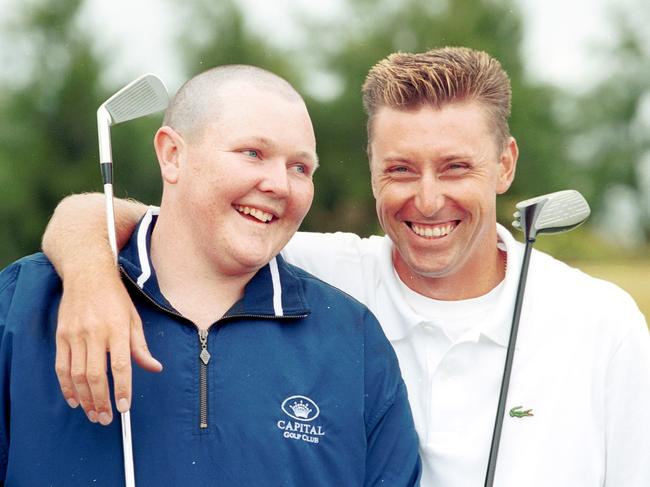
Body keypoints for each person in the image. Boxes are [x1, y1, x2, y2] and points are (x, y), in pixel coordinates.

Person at [42, 47, 650, 486]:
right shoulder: (318, 273)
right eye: (401, 169)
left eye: (457, 167)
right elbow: (136, 218)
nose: (429, 199)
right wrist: (93, 279)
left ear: (506, 164)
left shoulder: (601, 323)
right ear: (370, 168)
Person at [0, 65, 422, 485]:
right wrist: (90, 276)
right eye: (252, 153)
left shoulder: (355, 341)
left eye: (300, 168)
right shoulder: (27, 303)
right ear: (173, 155)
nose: (280, 184)